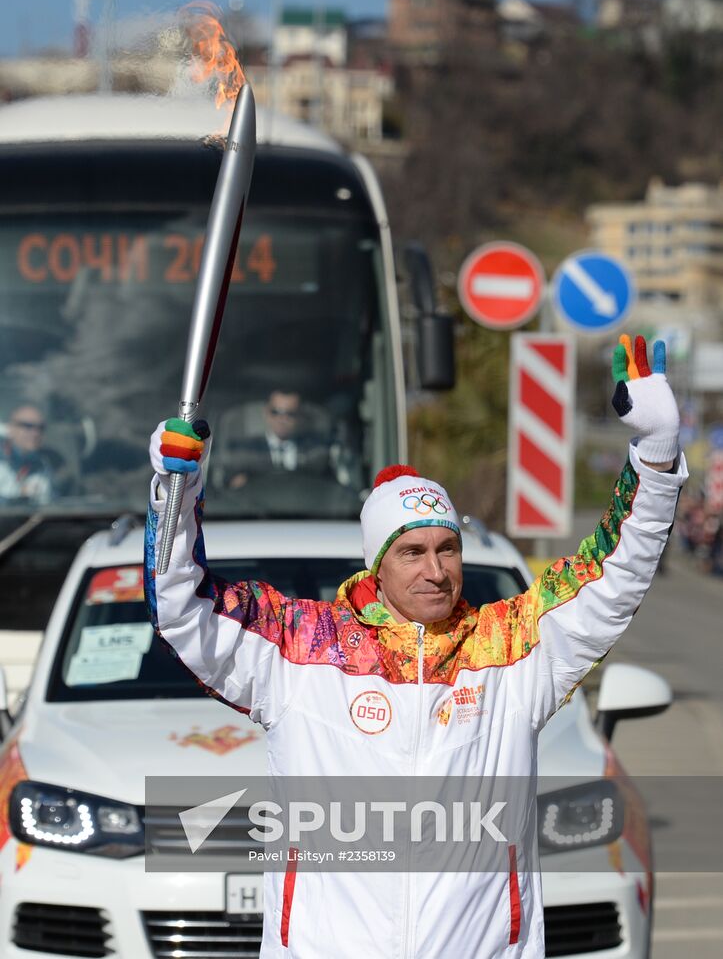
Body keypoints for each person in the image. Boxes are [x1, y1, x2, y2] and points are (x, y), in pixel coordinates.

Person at [144, 335, 687, 958]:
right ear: (377, 565)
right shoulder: (297, 647)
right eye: (412, 552)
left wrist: (657, 453)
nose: (435, 571)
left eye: (446, 548)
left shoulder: (510, 650)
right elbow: (182, 608)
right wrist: (173, 494)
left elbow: (611, 575)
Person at [228, 389, 332, 488]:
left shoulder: (314, 450)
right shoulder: (247, 448)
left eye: (290, 414)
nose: (282, 419)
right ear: (266, 413)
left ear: (300, 417)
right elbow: (230, 483)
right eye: (275, 412)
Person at [0, 404, 55, 505]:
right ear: (10, 428)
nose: (35, 433)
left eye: (40, 428)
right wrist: (19, 499)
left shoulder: (43, 465)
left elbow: (51, 503)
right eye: (27, 426)